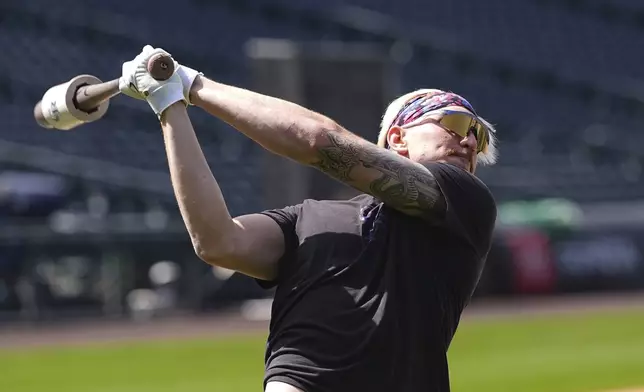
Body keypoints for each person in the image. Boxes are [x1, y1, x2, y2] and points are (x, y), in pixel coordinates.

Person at [119, 45, 499, 392]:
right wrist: (169, 104)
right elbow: (218, 241)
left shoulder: (464, 201)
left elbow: (318, 141)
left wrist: (191, 84)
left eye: (479, 137)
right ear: (398, 138)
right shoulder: (306, 217)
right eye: (458, 125)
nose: (470, 143)